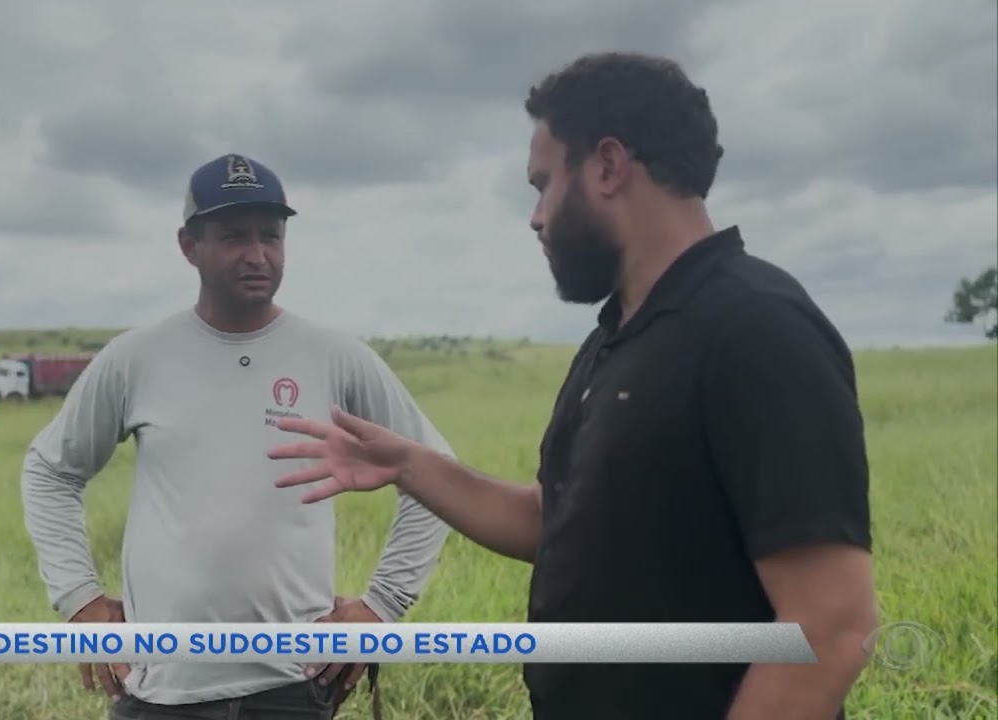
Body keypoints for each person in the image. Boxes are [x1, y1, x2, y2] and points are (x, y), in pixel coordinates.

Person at [268, 52, 878, 720]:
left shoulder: (755, 324)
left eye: (542, 184)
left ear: (608, 166)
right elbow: (558, 522)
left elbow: (831, 623)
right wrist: (408, 464)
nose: (535, 217)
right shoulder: (614, 340)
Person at [20, 153, 454, 720]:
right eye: (233, 237)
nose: (258, 255)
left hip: (293, 688)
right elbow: (50, 471)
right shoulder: (137, 358)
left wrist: (380, 607)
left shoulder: (334, 357)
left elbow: (437, 474)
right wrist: (81, 603)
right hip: (158, 690)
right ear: (188, 245)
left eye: (271, 237)